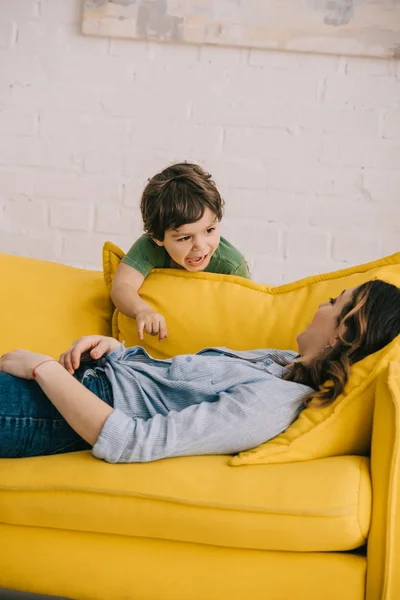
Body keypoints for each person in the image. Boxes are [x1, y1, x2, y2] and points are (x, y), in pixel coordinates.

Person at [0, 280, 399, 462]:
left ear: (342, 333)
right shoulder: (279, 363)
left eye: (333, 301)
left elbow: (134, 440)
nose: (320, 306)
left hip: (57, 410)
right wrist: (116, 352)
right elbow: (172, 384)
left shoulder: (272, 403)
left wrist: (43, 368)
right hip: (82, 381)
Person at [111, 162, 250, 342]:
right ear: (157, 237)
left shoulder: (232, 265)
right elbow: (122, 286)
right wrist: (142, 310)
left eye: (210, 230)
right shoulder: (149, 248)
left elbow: (245, 317)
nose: (200, 245)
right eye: (185, 238)